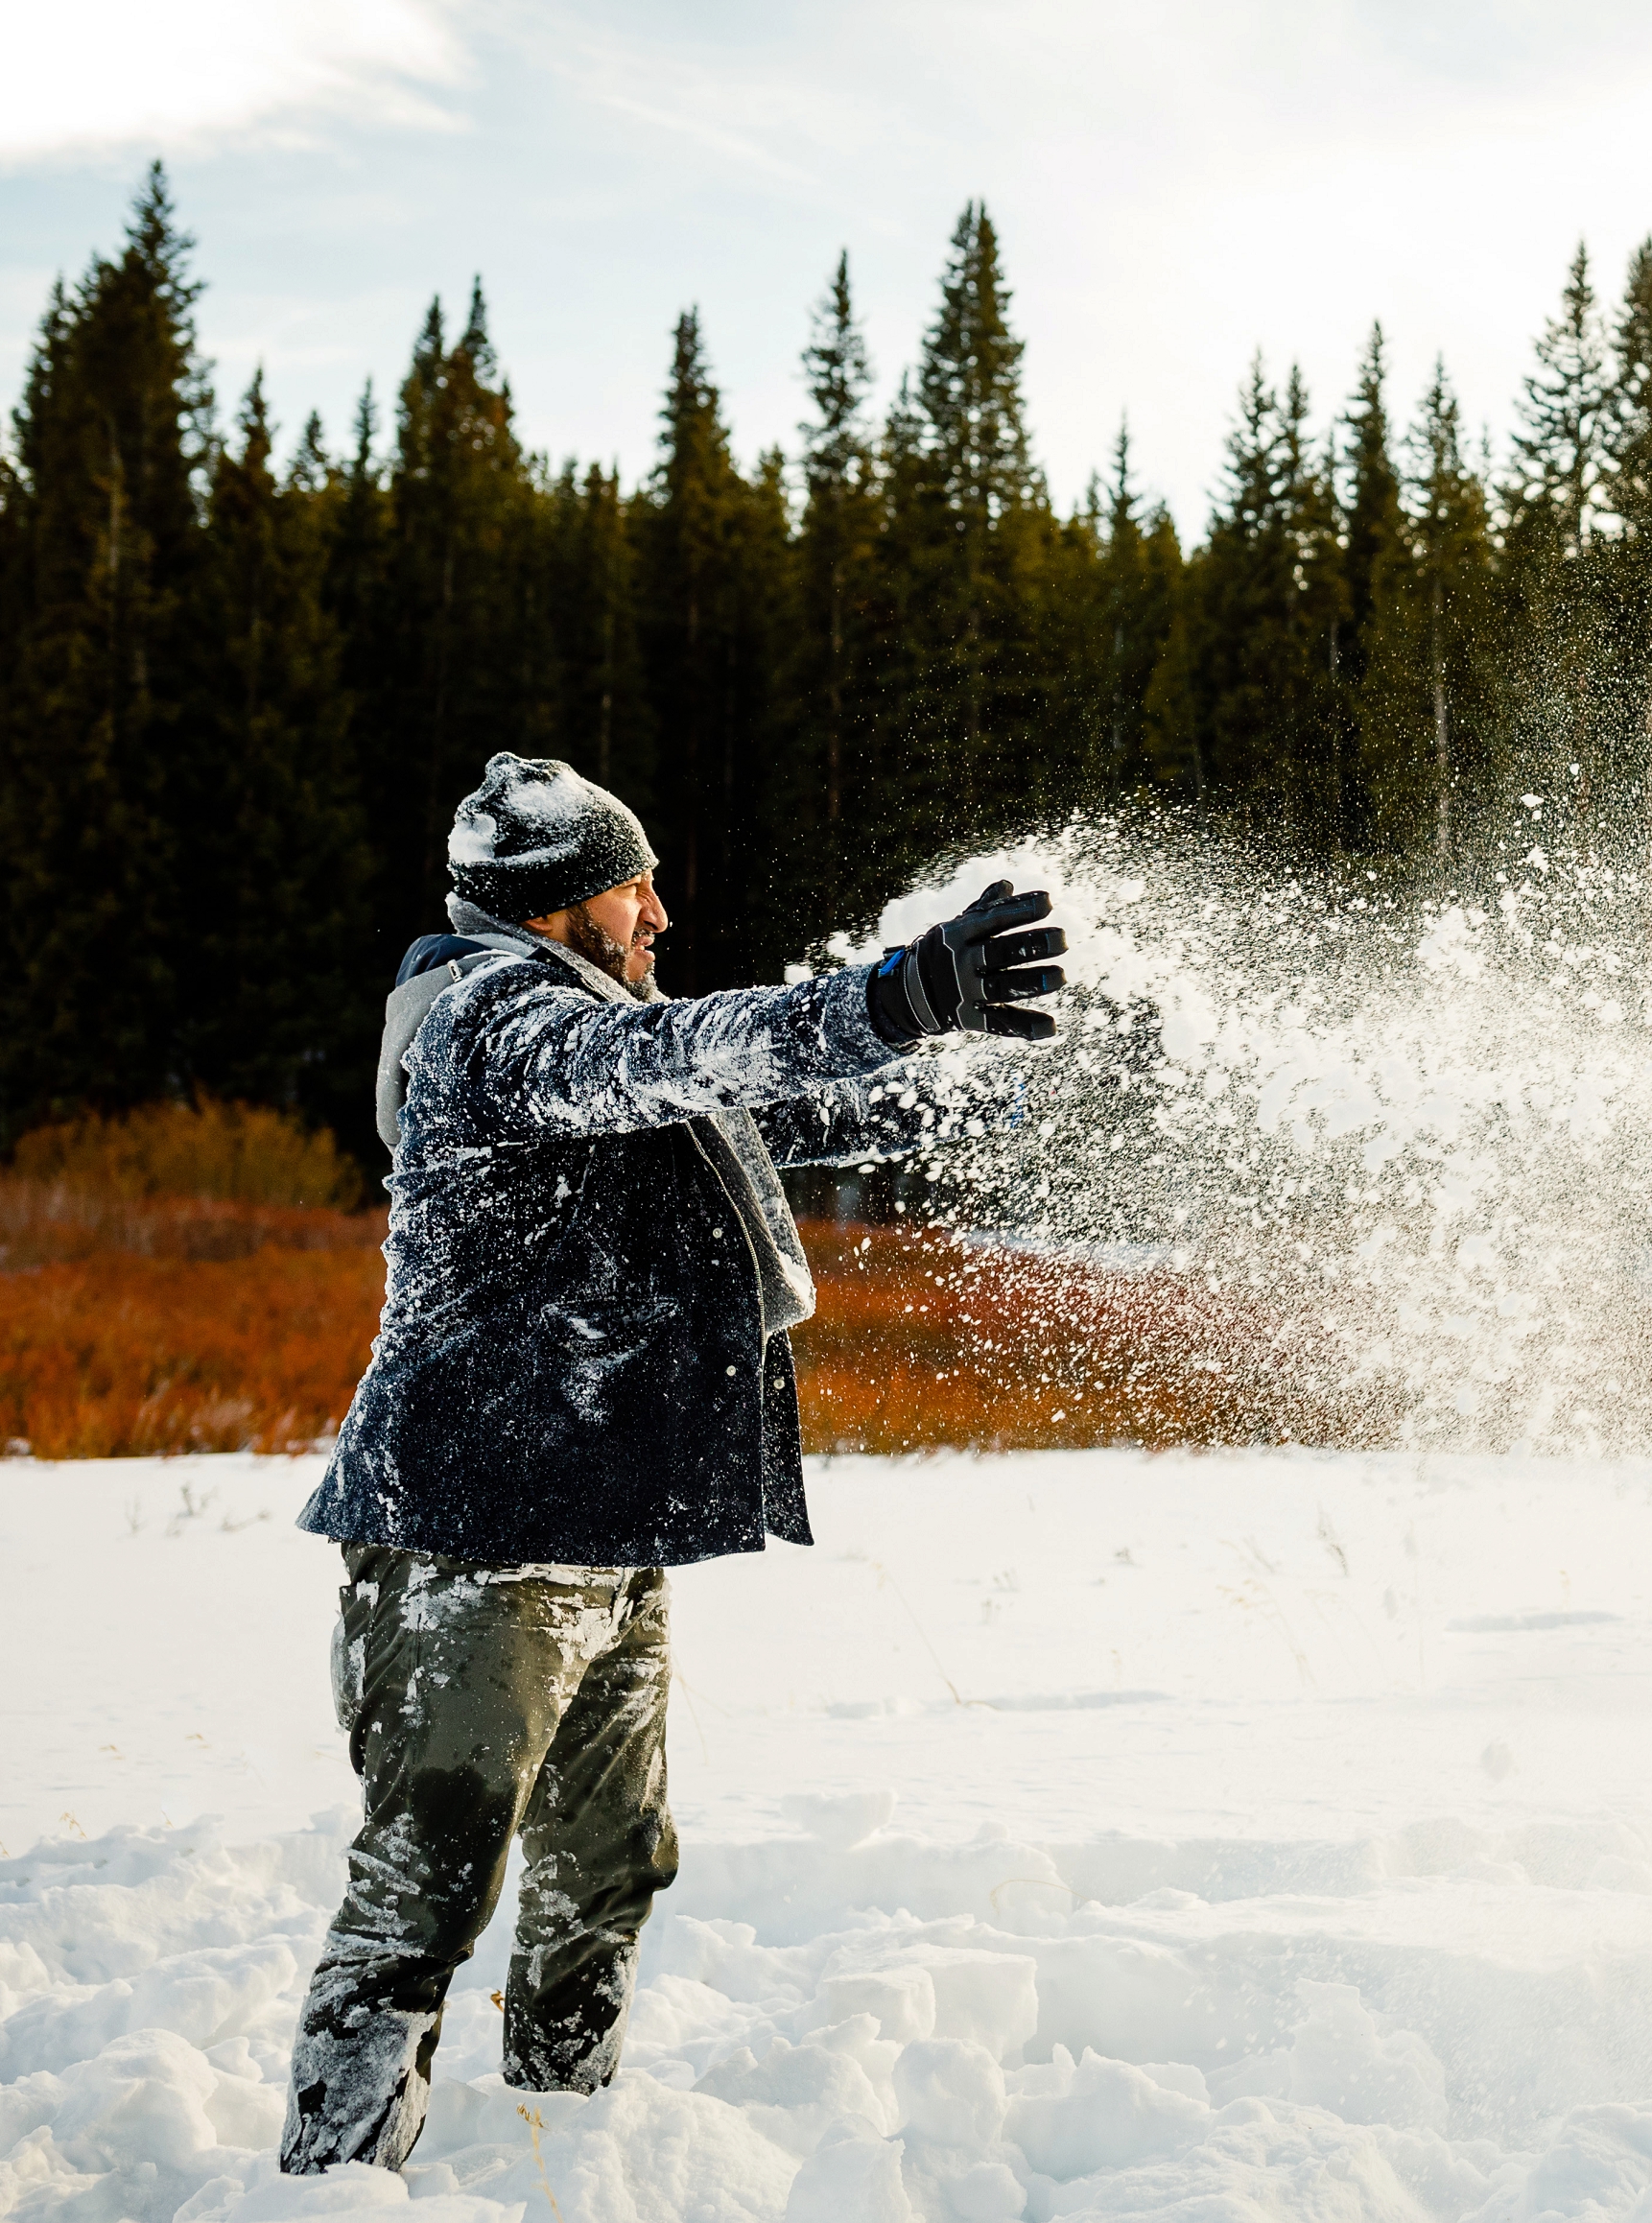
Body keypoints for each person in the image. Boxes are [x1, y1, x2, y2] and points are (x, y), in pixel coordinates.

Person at [281, 752, 1072, 2174]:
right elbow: (668, 1056)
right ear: (559, 904)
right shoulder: (496, 1024)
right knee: (426, 1894)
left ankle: (560, 2148)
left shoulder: (598, 1019)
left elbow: (723, 1069)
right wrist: (891, 994)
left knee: (606, 1864)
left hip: (595, 1524)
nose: (658, 915)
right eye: (631, 887)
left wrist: (914, 1028)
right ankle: (332, 2186)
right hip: (472, 1549)